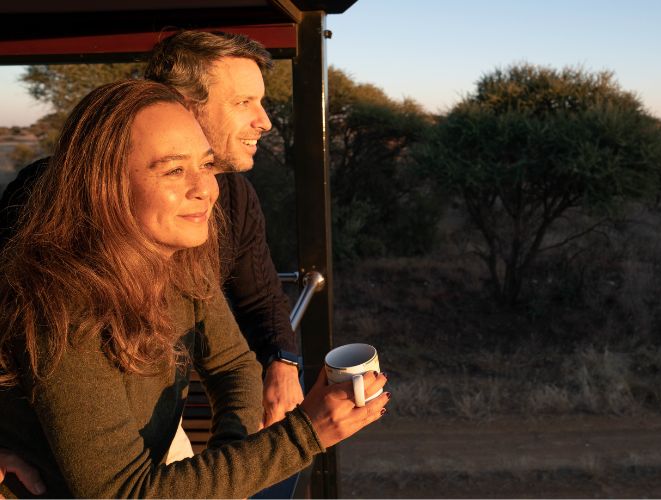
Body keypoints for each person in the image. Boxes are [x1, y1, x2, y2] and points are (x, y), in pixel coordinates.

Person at [0, 79, 388, 499]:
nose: (205, 189)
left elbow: (234, 365)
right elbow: (123, 494)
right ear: (102, 186)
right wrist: (303, 436)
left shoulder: (179, 258)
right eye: (172, 170)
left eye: (205, 165)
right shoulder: (65, 306)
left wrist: (226, 473)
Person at [0, 31, 301, 431]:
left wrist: (283, 361)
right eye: (243, 102)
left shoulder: (231, 196)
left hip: (156, 410)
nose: (263, 121)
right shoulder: (51, 192)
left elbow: (256, 301)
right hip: (51, 427)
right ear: (184, 106)